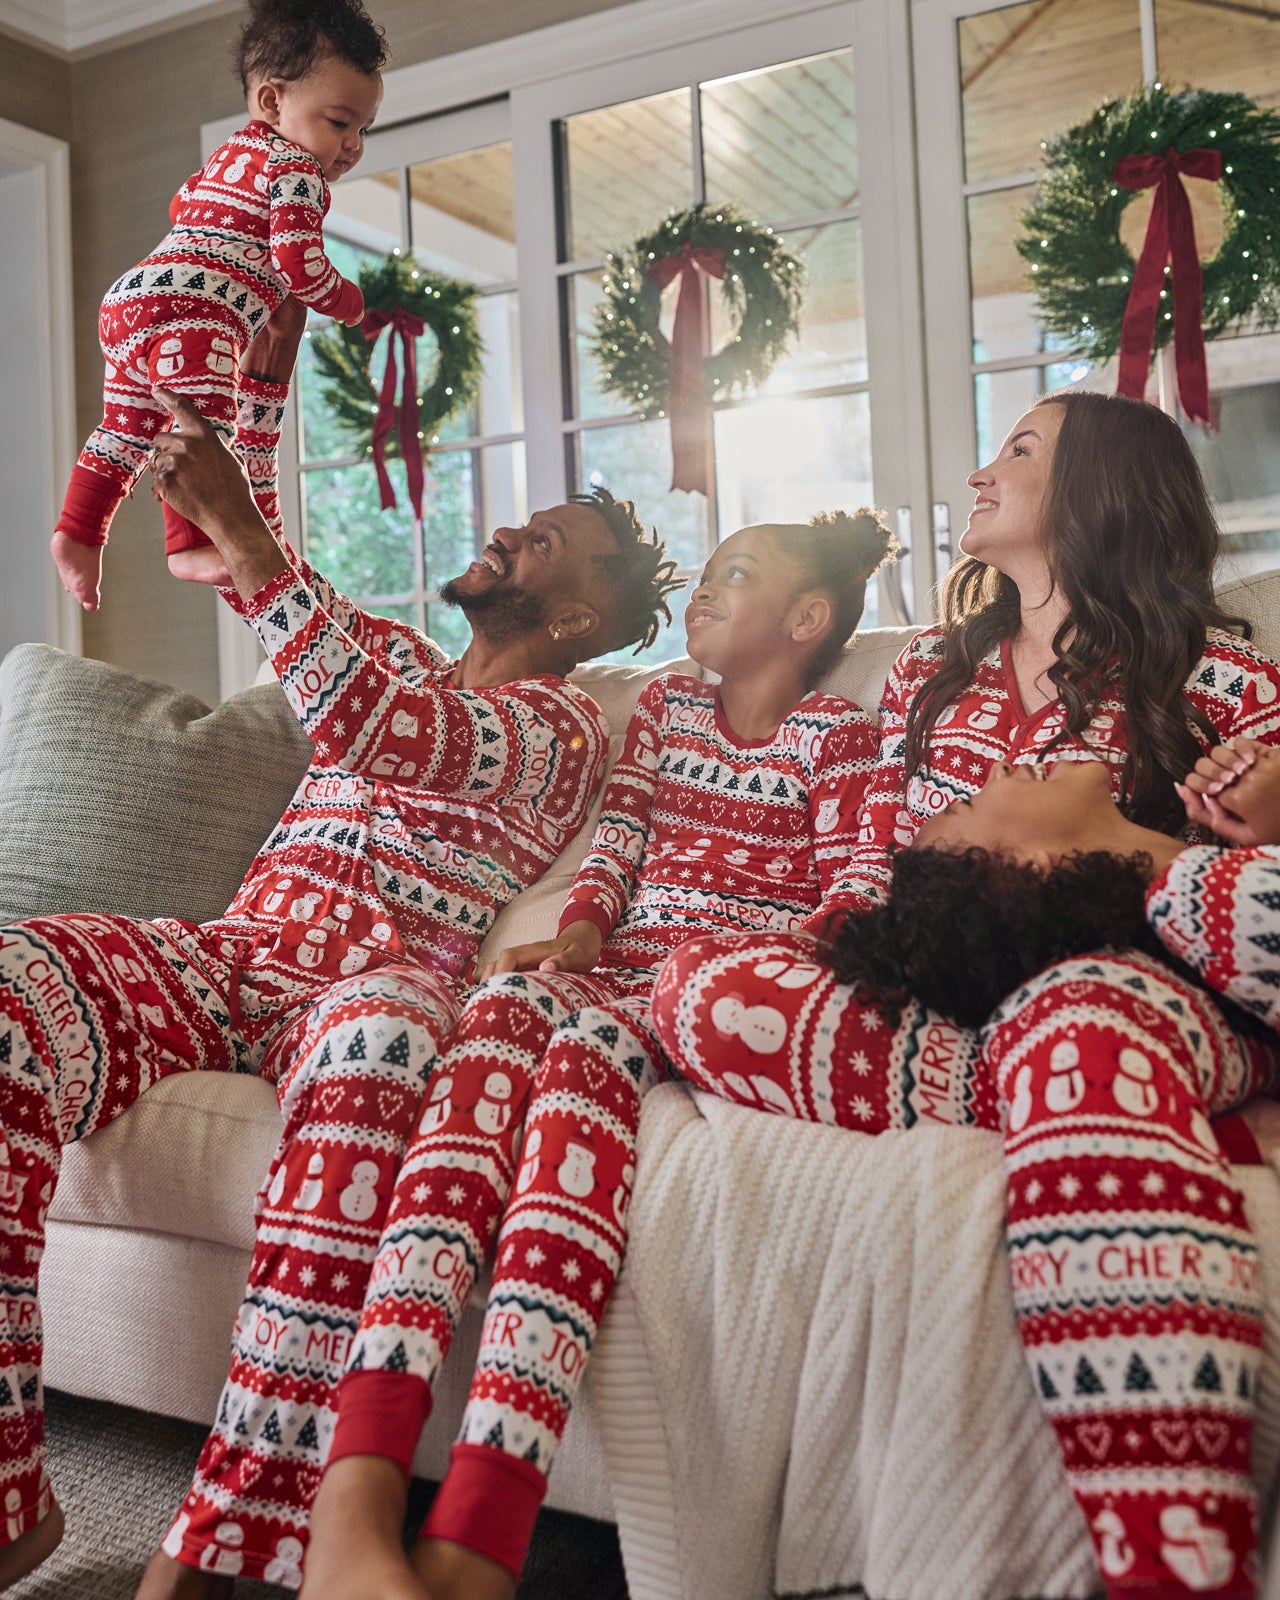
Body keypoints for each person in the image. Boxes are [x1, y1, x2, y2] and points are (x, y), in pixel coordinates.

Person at [0, 297, 682, 1594]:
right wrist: (217, 397)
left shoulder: (562, 728)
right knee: (14, 981)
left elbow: (378, 726)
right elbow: (232, 559)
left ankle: (218, 1548)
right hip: (226, 960)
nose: (508, 531)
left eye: (549, 543)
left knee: (387, 1030)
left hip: (357, 998)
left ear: (589, 621)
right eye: (518, 520)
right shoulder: (385, 647)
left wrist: (256, 542)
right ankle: (5, 1490)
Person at [648, 392, 1280, 1600]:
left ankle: (1075, 1073)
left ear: (1100, 489)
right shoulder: (929, 676)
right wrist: (844, 943)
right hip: (945, 998)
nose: (981, 469)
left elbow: (1249, 864)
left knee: (1081, 1012)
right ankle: (1041, 1088)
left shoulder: (1225, 677)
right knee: (701, 989)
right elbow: (872, 869)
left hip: (1133, 981)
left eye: (1018, 450)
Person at [293, 509, 897, 1600]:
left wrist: (752, 965)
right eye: (704, 574)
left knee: (574, 1089)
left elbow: (856, 891)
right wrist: (573, 936)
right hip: (617, 963)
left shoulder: (834, 736)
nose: (706, 590)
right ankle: (363, 1474)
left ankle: (479, 1529)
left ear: (805, 620)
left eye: (736, 574)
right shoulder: (662, 704)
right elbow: (617, 844)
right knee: (487, 1036)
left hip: (709, 985)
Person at [51, 0, 384, 614]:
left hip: (129, 301)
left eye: (364, 129)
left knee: (124, 428)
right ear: (273, 102)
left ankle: (77, 530)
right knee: (200, 427)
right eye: (340, 123)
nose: (352, 145)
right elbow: (298, 262)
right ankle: (190, 542)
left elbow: (183, 207)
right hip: (194, 314)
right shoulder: (297, 169)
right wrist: (349, 301)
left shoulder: (232, 154)